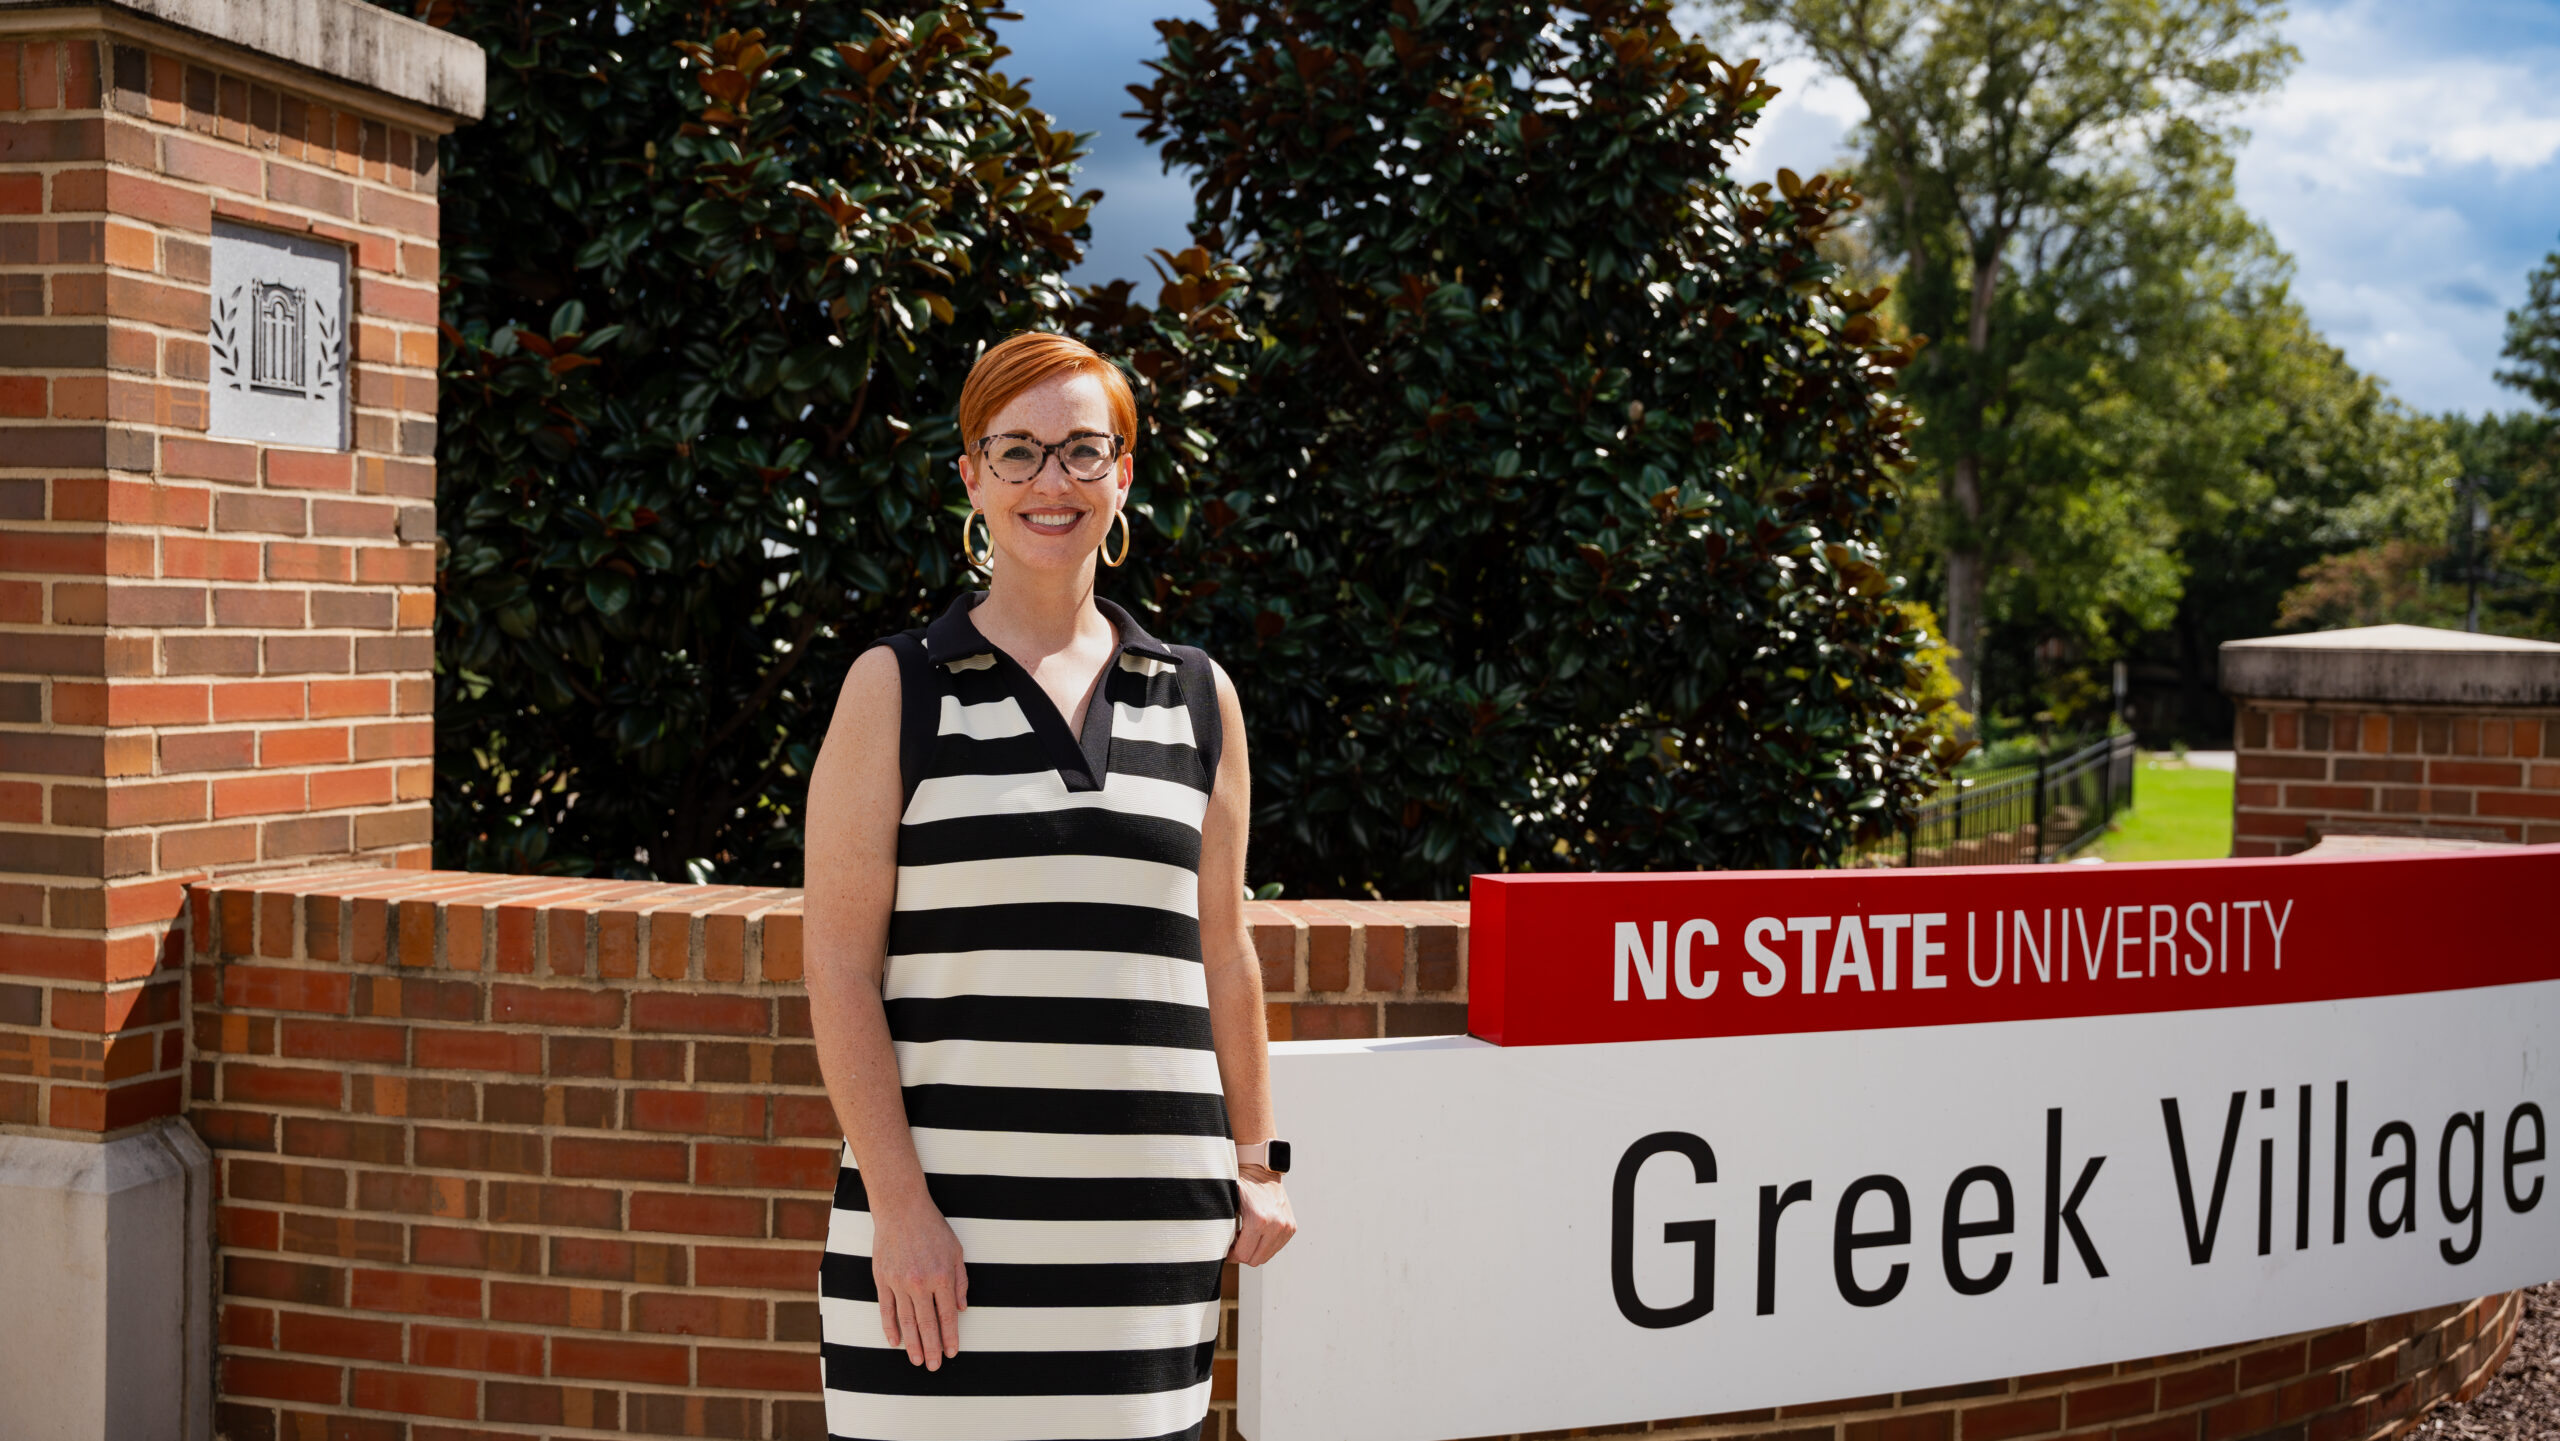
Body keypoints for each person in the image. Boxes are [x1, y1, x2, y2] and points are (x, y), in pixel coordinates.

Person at [801, 331, 1296, 1441]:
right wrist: (900, 1208)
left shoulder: (1200, 697)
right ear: (970, 478)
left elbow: (1224, 953)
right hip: (940, 1246)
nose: (1049, 482)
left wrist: (1258, 1162)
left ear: (1125, 472)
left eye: (1082, 450)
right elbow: (836, 968)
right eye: (1015, 452)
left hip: (1145, 1240)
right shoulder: (896, 688)